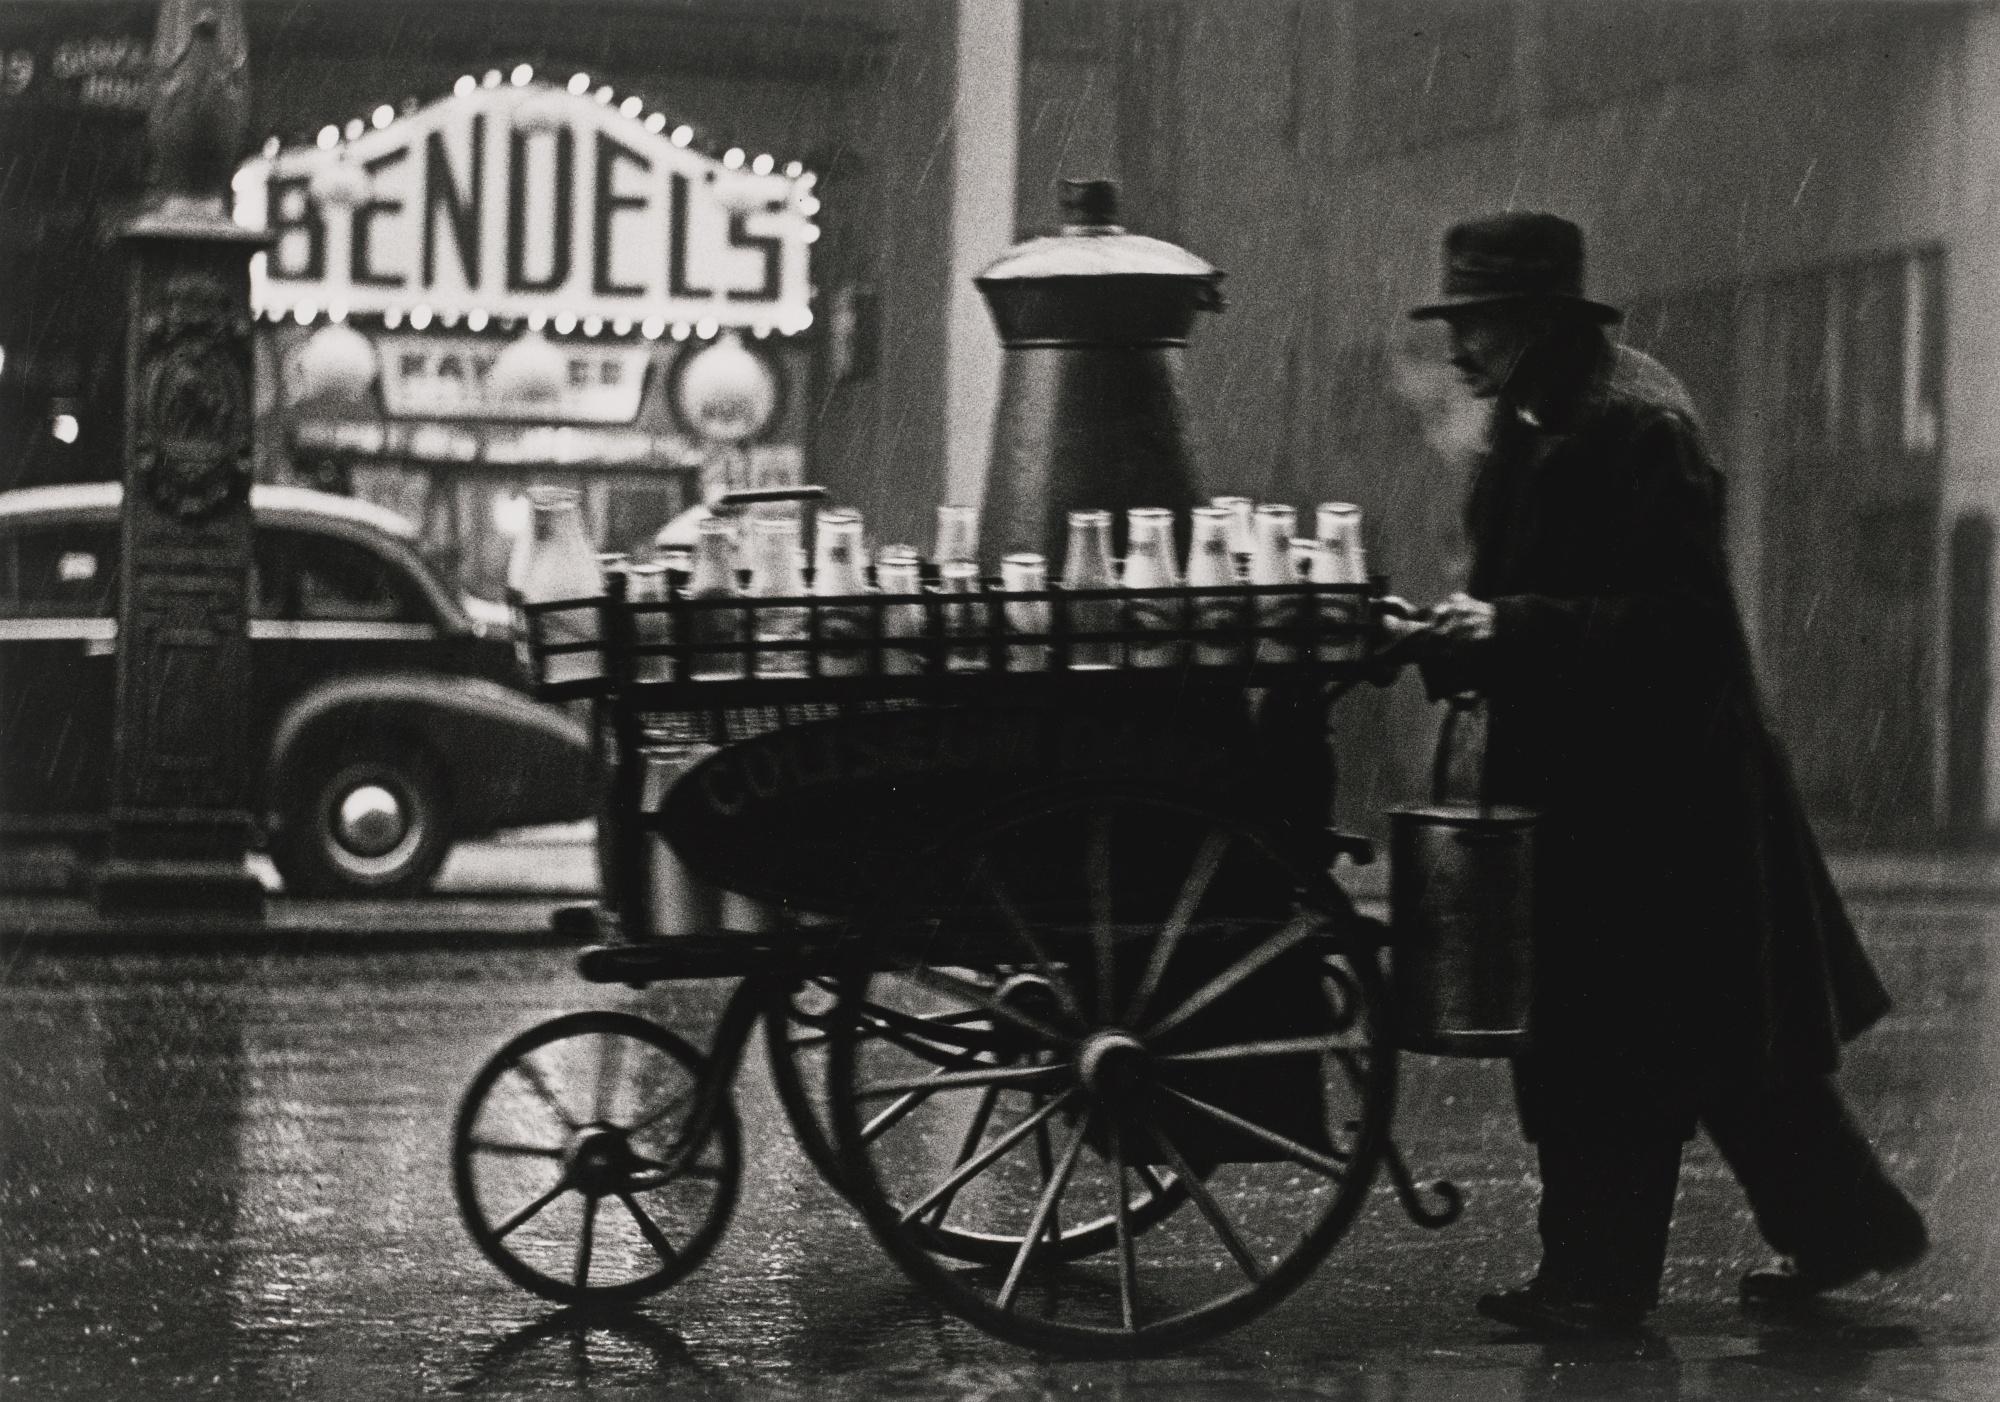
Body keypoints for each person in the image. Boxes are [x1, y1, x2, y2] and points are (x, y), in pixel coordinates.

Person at [1395, 211, 1928, 1338]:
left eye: (1475, 323)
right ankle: (1842, 1230)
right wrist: (1467, 635)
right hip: (1606, 787)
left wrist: (1510, 627)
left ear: (1534, 321)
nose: (1458, 351)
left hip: (1665, 798)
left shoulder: (1636, 425)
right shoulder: (1542, 414)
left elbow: (1680, 628)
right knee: (1725, 1048)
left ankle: (1596, 1283)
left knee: (1615, 1049)